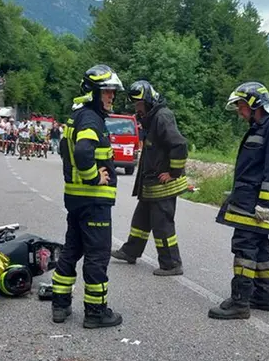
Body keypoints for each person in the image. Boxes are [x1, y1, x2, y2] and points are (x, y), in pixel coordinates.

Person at [208, 82, 269, 320]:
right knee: (259, 247)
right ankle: (263, 297)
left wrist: (265, 204)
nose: (239, 111)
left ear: (255, 104)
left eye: (241, 106)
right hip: (249, 201)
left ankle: (240, 302)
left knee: (245, 248)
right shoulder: (262, 125)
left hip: (256, 204)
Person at [51, 64, 124, 329]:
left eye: (112, 92)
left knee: (72, 249)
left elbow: (65, 149)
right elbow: (83, 151)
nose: (111, 97)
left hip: (76, 199)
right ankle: (95, 312)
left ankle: (60, 305)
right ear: (93, 92)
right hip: (93, 201)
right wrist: (94, 177)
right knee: (97, 255)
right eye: (106, 91)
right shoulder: (91, 119)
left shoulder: (78, 116)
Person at [111, 80, 189, 276]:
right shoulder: (151, 118)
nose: (137, 109)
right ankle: (130, 251)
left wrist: (173, 173)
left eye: (139, 104)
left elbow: (179, 145)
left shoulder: (162, 117)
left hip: (164, 185)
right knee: (140, 220)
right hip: (150, 184)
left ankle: (171, 264)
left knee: (162, 226)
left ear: (149, 101)